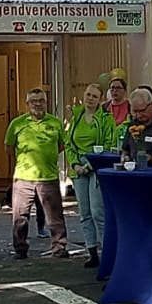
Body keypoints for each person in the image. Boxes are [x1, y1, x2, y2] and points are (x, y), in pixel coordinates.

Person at [5, 88, 70, 259]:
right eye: (34, 101)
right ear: (27, 104)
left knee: (55, 216)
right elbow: (9, 148)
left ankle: (59, 247)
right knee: (20, 216)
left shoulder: (55, 123)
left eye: (41, 100)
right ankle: (20, 248)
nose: (38, 104)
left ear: (46, 103)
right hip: (23, 177)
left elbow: (61, 145)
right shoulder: (17, 124)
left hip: (48, 176)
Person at [67, 83, 121, 268]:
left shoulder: (106, 118)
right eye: (88, 95)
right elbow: (69, 144)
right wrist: (74, 164)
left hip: (96, 166)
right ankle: (91, 252)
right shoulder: (77, 116)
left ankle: (106, 252)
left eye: (94, 96)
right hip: (78, 166)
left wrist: (90, 166)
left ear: (100, 100)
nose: (90, 98)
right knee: (84, 212)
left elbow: (109, 143)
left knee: (98, 211)